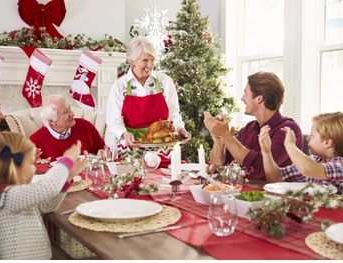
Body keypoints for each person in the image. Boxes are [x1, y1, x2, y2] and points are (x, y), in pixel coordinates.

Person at [0, 131, 88, 259]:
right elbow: (47, 187)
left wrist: (68, 177)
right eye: (31, 163)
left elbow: (47, 206)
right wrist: (66, 161)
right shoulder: (4, 197)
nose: (34, 168)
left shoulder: (13, 194)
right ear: (13, 166)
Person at [106, 36, 191, 165]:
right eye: (145, 60)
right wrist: (124, 134)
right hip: (131, 148)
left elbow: (174, 114)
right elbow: (113, 120)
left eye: (152, 59)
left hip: (163, 148)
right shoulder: (120, 86)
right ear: (132, 61)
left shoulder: (165, 82)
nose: (150, 65)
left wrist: (180, 129)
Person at [204, 71, 303, 179]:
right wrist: (220, 143)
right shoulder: (249, 128)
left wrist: (226, 136)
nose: (242, 98)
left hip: (276, 195)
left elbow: (259, 169)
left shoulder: (288, 130)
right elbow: (216, 167)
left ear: (259, 99)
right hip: (244, 193)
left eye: (245, 93)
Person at [259, 112, 343, 194]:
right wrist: (266, 151)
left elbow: (308, 169)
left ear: (327, 143)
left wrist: (290, 144)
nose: (307, 139)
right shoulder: (314, 160)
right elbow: (276, 177)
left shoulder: (340, 166)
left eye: (312, 135)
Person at [30, 94, 105, 162]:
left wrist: (104, 153)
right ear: (52, 121)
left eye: (70, 108)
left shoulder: (86, 126)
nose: (72, 113)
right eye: (65, 112)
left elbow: (103, 149)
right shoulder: (34, 143)